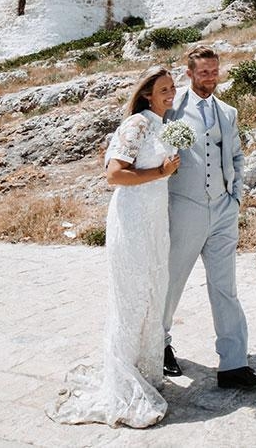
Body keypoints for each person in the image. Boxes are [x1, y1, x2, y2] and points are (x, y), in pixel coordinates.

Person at [49, 66, 181, 428]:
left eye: (173, 88)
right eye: (164, 89)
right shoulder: (137, 124)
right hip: (134, 219)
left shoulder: (162, 124)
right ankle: (123, 380)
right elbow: (114, 174)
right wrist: (161, 173)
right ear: (147, 94)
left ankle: (144, 371)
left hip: (156, 219)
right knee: (132, 297)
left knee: (153, 292)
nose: (171, 93)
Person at [162, 46, 256, 389]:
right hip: (184, 207)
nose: (210, 78)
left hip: (223, 209)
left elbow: (237, 156)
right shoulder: (172, 107)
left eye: (214, 71)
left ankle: (234, 364)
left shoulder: (228, 112)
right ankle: (159, 346)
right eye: (204, 72)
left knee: (226, 287)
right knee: (172, 281)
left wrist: (235, 196)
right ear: (190, 72)